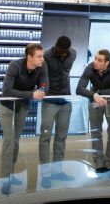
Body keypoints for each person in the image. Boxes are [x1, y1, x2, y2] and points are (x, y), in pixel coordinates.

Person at [0, 43, 48, 195]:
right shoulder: (15, 65)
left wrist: (41, 90)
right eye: (39, 56)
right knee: (9, 141)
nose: (42, 59)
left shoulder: (42, 65)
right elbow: (7, 91)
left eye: (42, 56)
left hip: (23, 107)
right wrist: (31, 94)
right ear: (29, 57)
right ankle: (5, 178)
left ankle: (11, 173)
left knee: (15, 141)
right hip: (8, 107)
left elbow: (45, 84)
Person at [76, 49, 110, 177]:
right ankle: (99, 163)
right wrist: (94, 95)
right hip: (95, 100)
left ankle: (109, 164)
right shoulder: (90, 68)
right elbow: (79, 89)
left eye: (99, 60)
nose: (96, 62)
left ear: (107, 63)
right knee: (95, 131)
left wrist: (99, 93)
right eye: (95, 59)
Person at [38, 36, 76, 188]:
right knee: (45, 138)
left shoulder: (72, 53)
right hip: (50, 103)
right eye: (61, 52)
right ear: (56, 47)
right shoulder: (46, 57)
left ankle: (57, 171)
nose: (64, 55)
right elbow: (41, 78)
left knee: (61, 138)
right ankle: (45, 174)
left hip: (65, 102)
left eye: (65, 52)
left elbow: (71, 56)